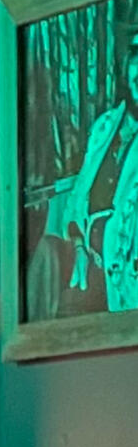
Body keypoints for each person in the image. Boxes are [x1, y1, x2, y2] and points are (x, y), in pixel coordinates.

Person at [56, 27, 138, 316]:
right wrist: (80, 247)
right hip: (90, 267)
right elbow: (76, 201)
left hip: (128, 282)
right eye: (136, 56)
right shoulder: (105, 127)